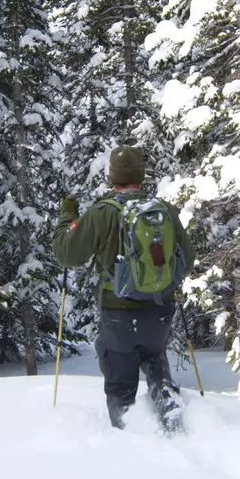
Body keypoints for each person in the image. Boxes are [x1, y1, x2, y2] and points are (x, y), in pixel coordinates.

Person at [53, 146, 194, 433]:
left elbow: (67, 255)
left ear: (112, 177)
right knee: (154, 357)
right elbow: (186, 260)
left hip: (118, 311)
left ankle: (127, 435)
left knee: (119, 381)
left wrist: (67, 217)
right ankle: (169, 411)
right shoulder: (163, 210)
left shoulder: (102, 212)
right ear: (141, 176)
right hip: (160, 308)